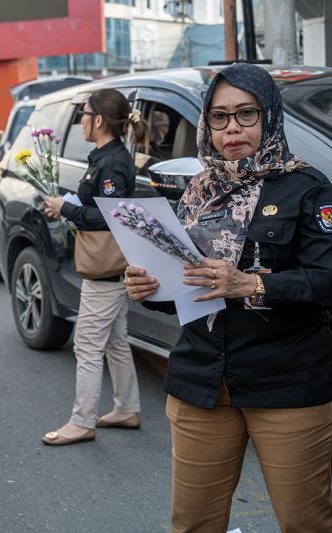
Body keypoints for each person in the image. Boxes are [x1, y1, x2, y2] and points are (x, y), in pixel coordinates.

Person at [124, 63, 332, 532]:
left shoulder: (307, 187)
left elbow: (326, 279)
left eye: (245, 114)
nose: (232, 127)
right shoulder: (197, 190)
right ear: (206, 124)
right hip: (201, 381)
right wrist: (148, 288)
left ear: (269, 117)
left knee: (306, 523)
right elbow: (184, 287)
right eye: (219, 117)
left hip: (287, 383)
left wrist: (252, 284)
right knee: (193, 523)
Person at [39, 88, 146, 445]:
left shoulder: (113, 161)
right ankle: (127, 408)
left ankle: (82, 421)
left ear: (98, 119)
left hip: (106, 269)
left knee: (86, 345)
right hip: (108, 267)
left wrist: (65, 209)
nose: (81, 121)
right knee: (115, 340)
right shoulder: (105, 156)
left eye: (84, 114)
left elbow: (109, 217)